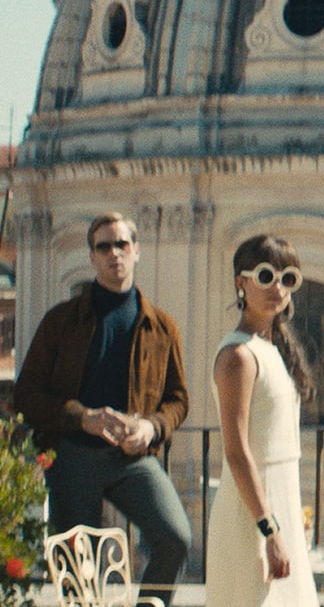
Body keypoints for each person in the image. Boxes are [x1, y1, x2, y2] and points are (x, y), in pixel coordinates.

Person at [14, 212, 191, 607]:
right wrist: (83, 417)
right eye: (104, 246)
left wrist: (150, 427)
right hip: (73, 456)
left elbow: (178, 399)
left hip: (134, 460)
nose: (115, 254)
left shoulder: (161, 326)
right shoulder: (62, 321)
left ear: (136, 250)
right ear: (92, 256)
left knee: (175, 537)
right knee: (79, 573)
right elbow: (26, 394)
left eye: (122, 244)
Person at [205, 235, 318, 606]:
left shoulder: (271, 349)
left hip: (279, 509)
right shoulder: (237, 356)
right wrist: (269, 529)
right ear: (242, 281)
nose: (277, 288)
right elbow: (237, 452)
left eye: (288, 279)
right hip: (250, 519)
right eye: (266, 276)